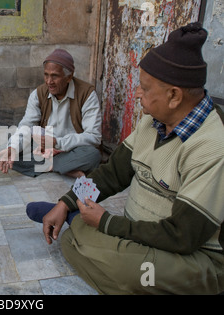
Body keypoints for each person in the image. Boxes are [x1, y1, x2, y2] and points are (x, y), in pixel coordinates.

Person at [42, 23, 224, 294]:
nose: (137, 93)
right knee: (74, 241)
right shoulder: (151, 122)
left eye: (144, 88)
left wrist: (107, 223)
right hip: (141, 240)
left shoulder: (213, 146)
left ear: (174, 96)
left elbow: (182, 236)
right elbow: (111, 174)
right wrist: (66, 202)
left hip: (192, 257)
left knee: (128, 271)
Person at [0, 49, 102, 224]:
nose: (49, 81)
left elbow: (94, 136)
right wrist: (12, 148)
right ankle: (67, 169)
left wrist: (58, 143)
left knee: (93, 155)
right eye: (46, 75)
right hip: (44, 150)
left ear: (69, 77)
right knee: (11, 154)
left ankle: (54, 166)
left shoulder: (87, 94)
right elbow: (26, 127)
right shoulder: (38, 94)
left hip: (73, 150)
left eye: (55, 76)